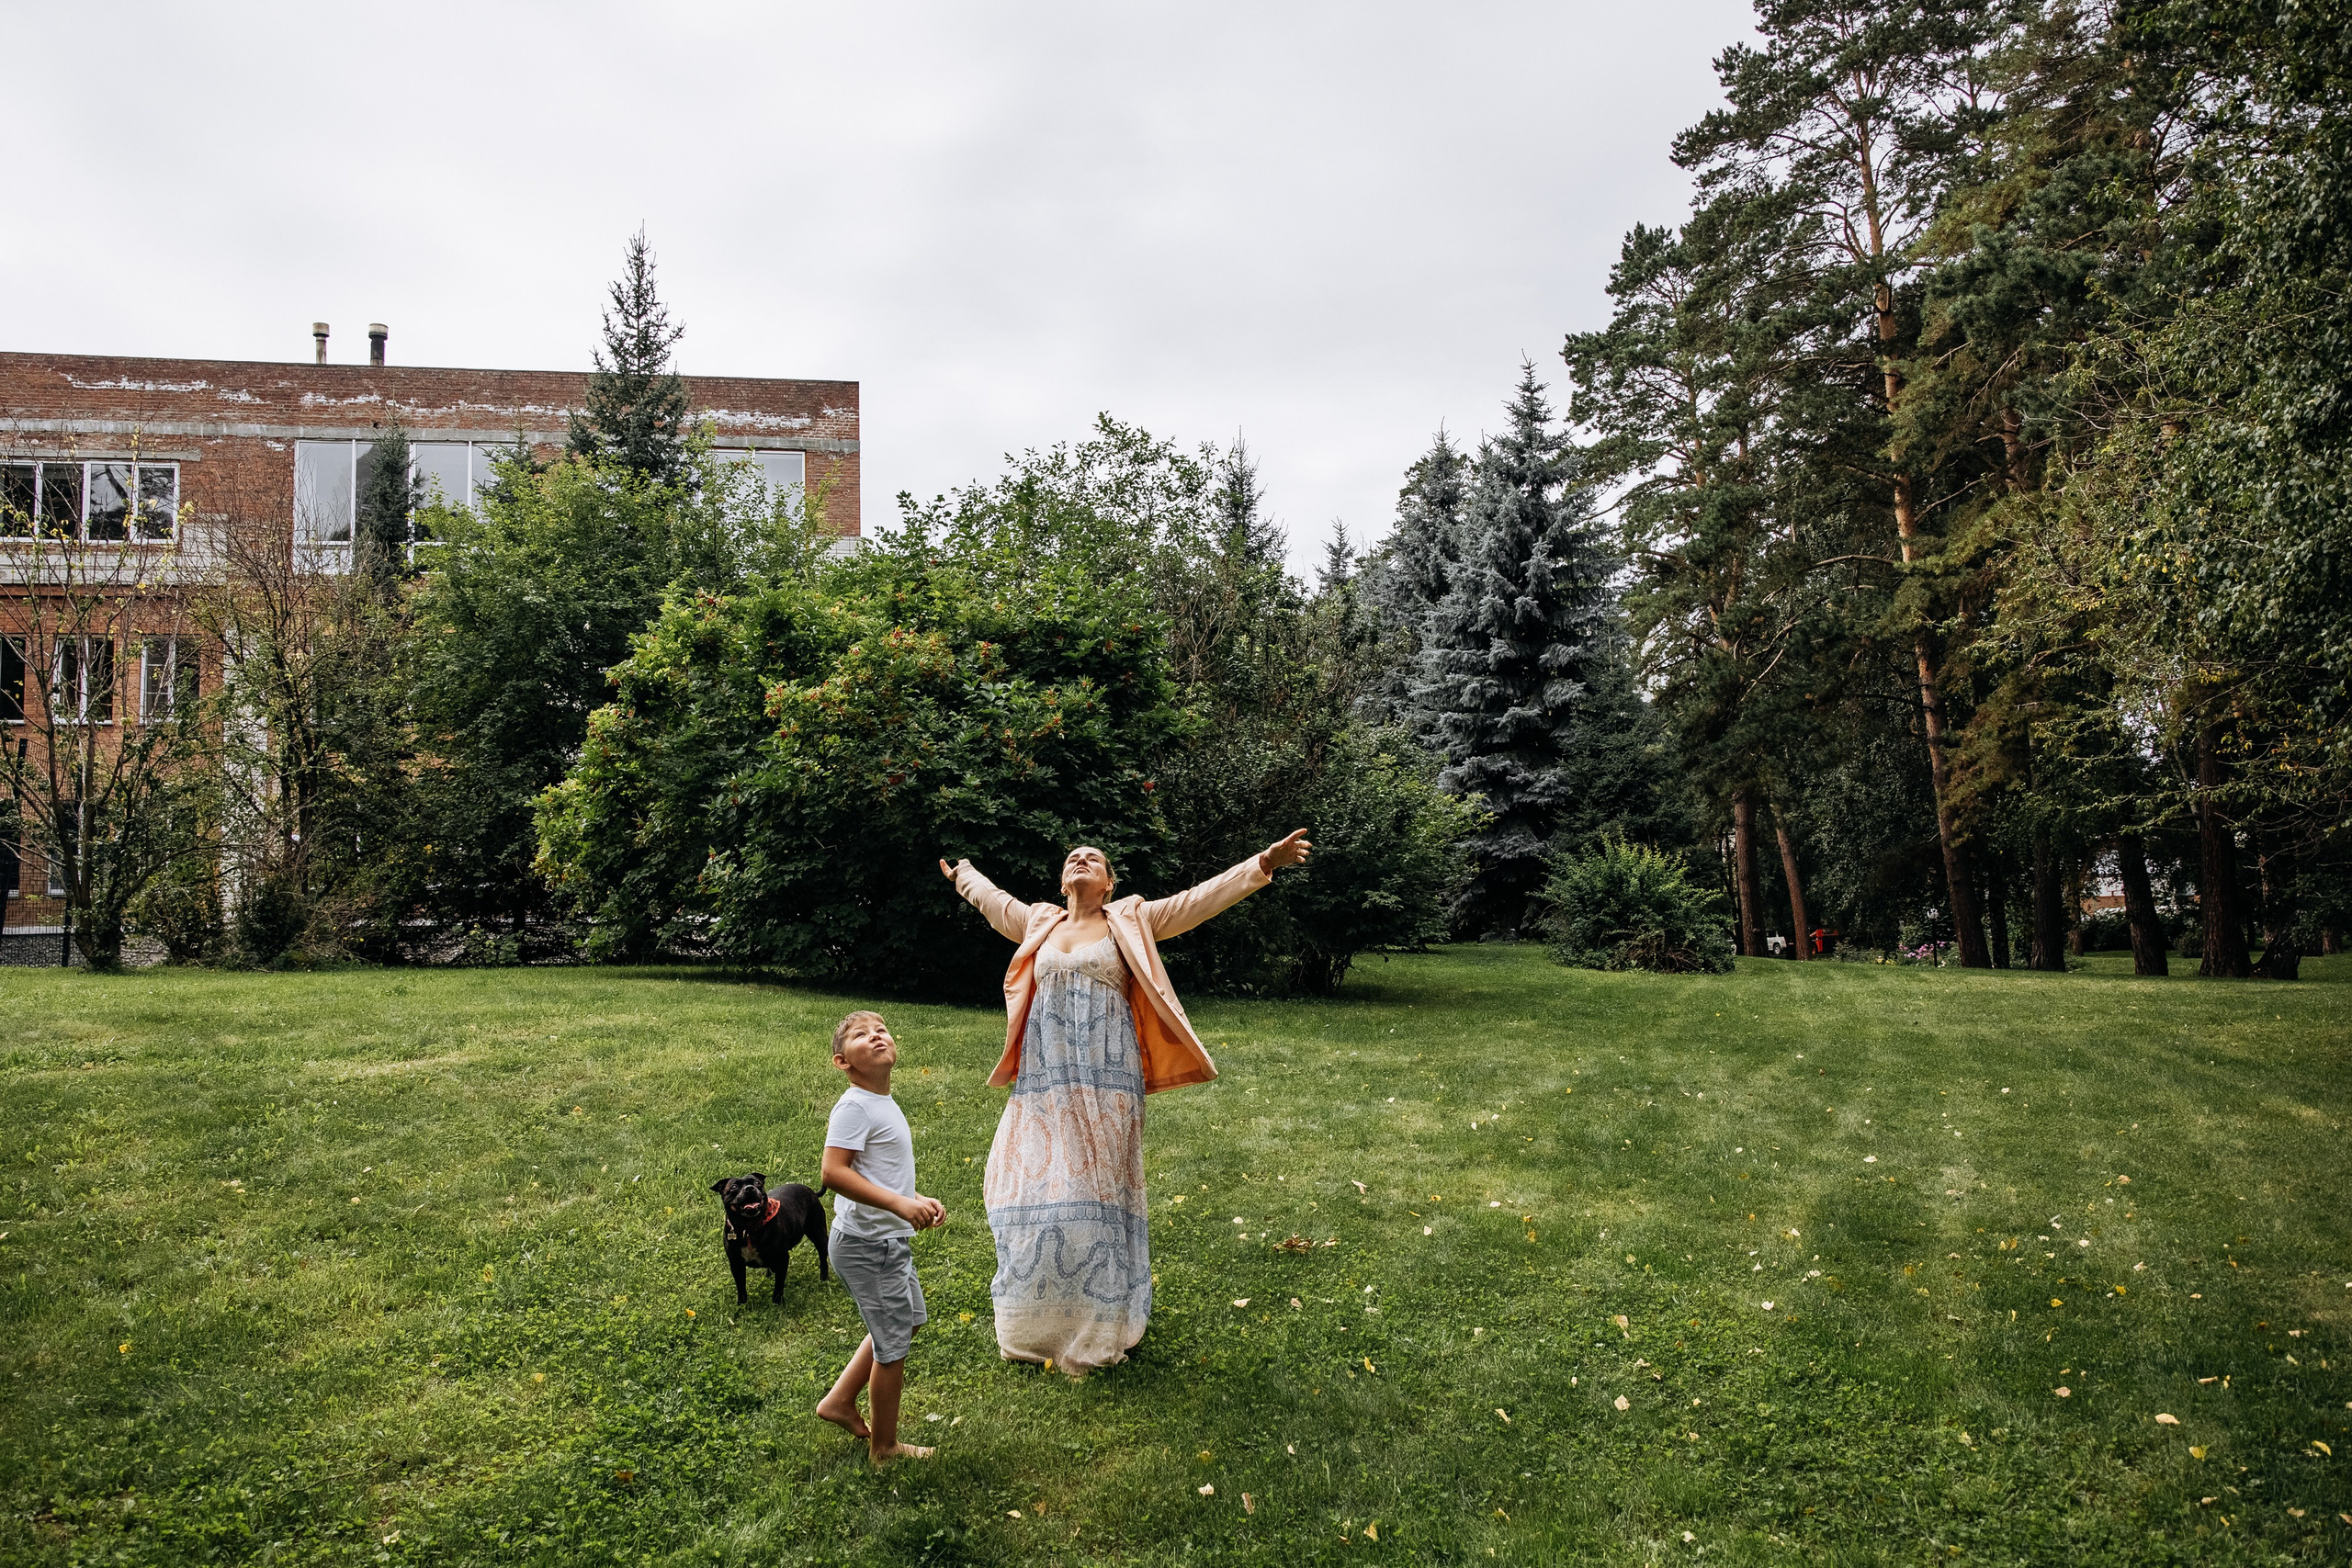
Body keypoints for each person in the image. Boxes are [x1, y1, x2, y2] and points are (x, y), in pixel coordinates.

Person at [939, 831, 1311, 1376]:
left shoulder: (1131, 919)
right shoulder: (1039, 921)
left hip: (1108, 1083)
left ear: (1109, 883)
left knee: (1096, 1199)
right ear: (1062, 882)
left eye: (1093, 858)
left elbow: (1198, 900)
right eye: (1073, 857)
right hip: (1045, 1084)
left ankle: (1097, 1328)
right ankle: (1031, 1329)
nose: (1080, 859)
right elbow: (993, 902)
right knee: (1030, 1190)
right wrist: (963, 874)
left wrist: (1263, 863)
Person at [815, 1010, 944, 1464]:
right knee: (893, 1347)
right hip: (868, 1246)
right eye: (861, 1035)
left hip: (886, 1241)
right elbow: (834, 1173)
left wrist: (915, 1199)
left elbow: (877, 1173)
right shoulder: (854, 1106)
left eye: (881, 1030)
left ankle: (838, 1402)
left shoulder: (881, 1101)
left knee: (904, 1322)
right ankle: (884, 1447)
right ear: (842, 1062)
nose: (876, 1036)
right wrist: (899, 1206)